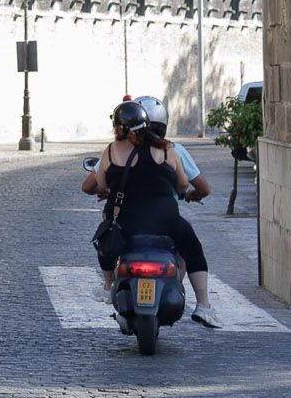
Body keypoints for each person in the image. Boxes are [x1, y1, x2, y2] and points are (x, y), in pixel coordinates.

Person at [81, 97, 217, 328]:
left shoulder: (111, 151)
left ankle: (108, 285)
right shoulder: (167, 149)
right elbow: (183, 184)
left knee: (105, 240)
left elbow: (101, 185)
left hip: (126, 223)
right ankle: (203, 305)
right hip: (166, 221)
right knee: (193, 249)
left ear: (118, 128)